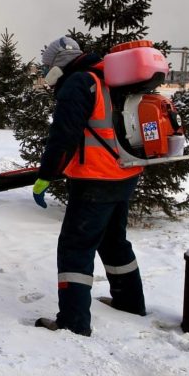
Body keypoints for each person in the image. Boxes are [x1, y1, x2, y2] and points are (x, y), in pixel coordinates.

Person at [32, 36, 146, 337]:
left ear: (58, 65)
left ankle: (73, 321)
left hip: (96, 178)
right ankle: (130, 301)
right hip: (125, 173)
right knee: (113, 241)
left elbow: (63, 136)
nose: (46, 74)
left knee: (75, 248)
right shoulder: (110, 77)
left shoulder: (79, 83)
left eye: (47, 68)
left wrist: (46, 175)